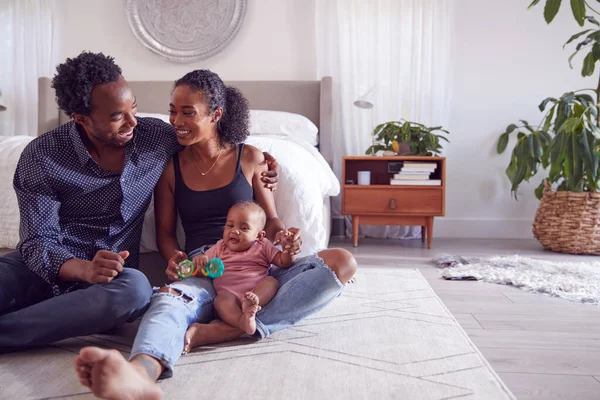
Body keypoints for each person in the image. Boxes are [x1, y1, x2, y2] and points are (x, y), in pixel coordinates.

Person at [74, 69, 357, 400]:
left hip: (262, 263)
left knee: (342, 262)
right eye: (172, 111)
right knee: (169, 300)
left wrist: (285, 238)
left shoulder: (249, 156)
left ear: (216, 114)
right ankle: (140, 372)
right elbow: (165, 234)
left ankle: (223, 330)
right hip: (206, 266)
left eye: (187, 112)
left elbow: (272, 221)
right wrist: (174, 258)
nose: (176, 120)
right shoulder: (171, 168)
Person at [0, 51, 279, 352]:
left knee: (136, 291)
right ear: (81, 118)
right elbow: (36, 243)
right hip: (45, 267)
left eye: (133, 107)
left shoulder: (155, 136)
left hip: (110, 283)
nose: (134, 122)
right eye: (117, 116)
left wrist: (266, 163)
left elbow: (208, 142)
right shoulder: (42, 154)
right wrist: (83, 268)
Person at [198, 201, 298, 335]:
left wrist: (288, 251)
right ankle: (242, 321)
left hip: (256, 292)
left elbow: (283, 262)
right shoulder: (220, 247)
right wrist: (200, 260)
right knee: (220, 300)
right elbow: (202, 265)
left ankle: (250, 307)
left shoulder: (262, 246)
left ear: (259, 236)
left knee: (271, 282)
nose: (234, 230)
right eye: (229, 225)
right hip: (229, 295)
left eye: (244, 228)